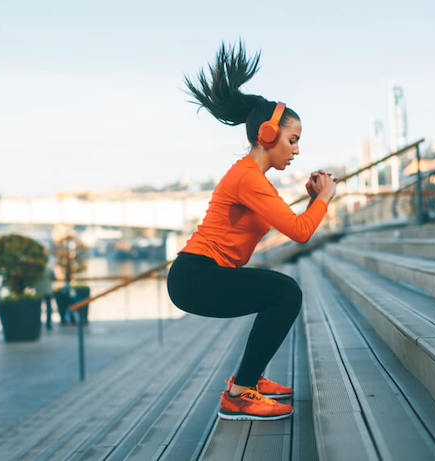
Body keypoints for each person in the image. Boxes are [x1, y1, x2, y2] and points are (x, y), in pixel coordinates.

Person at [166, 42, 336, 421]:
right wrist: (324, 198)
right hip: (196, 276)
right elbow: (299, 232)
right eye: (292, 141)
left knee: (279, 293)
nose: (295, 151)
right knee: (285, 292)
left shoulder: (254, 179)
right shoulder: (247, 178)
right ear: (267, 134)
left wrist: (313, 202)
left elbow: (293, 223)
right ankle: (240, 394)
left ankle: (249, 382)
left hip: (201, 274)